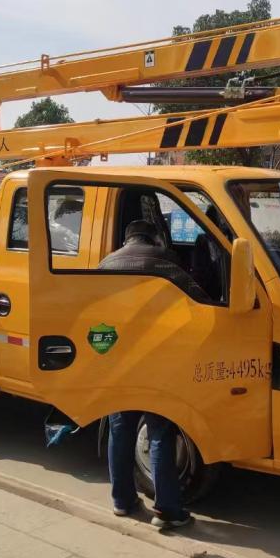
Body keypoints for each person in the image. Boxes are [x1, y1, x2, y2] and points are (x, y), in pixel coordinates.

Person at [99, 220, 194, 529]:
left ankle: (122, 502)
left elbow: (94, 313)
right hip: (156, 359)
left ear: (127, 239)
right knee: (160, 432)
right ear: (153, 238)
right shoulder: (167, 261)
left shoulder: (106, 264)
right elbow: (192, 300)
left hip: (118, 361)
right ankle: (166, 510)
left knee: (120, 429)